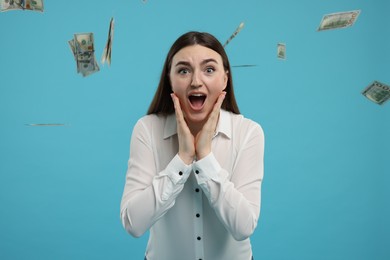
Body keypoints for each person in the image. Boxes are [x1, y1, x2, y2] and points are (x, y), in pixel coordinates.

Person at [120, 31, 264, 260]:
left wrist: (205, 157)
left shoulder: (248, 132)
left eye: (209, 70)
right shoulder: (147, 129)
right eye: (184, 70)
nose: (196, 81)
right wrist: (183, 158)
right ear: (170, 78)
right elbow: (134, 223)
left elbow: (243, 227)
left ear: (225, 79)